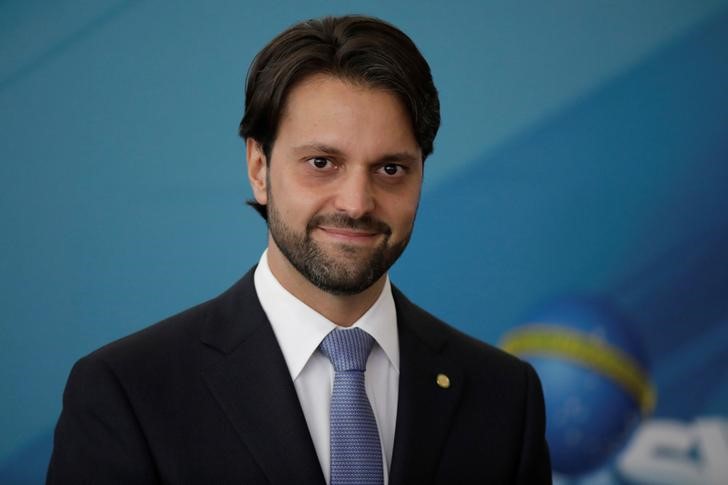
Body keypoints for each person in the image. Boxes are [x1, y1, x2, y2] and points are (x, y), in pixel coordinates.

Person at [47, 15, 551, 485]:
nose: (356, 204)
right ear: (259, 168)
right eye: (321, 162)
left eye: (390, 169)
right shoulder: (127, 392)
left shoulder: (505, 395)